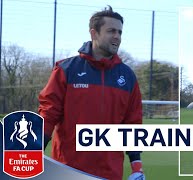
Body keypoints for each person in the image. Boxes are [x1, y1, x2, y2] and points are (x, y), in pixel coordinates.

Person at [38, 6, 145, 180]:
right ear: (94, 33)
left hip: (111, 173)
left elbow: (132, 123)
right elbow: (48, 114)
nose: (117, 36)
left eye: (119, 32)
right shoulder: (66, 69)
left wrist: (137, 167)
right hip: (68, 171)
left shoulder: (128, 76)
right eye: (111, 31)